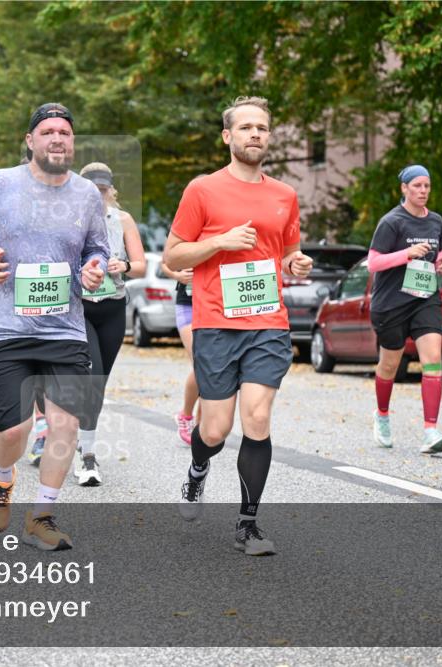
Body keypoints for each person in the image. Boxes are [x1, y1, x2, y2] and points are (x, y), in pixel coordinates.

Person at [0, 102, 110, 550]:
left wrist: (94, 268)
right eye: (48, 131)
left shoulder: (87, 195)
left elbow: (97, 247)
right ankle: (3, 478)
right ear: (30, 140)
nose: (58, 138)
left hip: (64, 329)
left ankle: (42, 514)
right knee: (12, 431)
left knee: (66, 424)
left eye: (65, 132)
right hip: (2, 330)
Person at [163, 95, 313, 557]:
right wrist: (220, 241)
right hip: (216, 322)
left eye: (262, 128)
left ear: (269, 137)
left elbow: (287, 252)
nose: (255, 134)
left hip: (268, 322)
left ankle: (248, 524)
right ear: (227, 136)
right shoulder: (202, 190)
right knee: (214, 430)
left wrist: (297, 263)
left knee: (258, 417)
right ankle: (198, 470)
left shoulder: (284, 195)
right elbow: (173, 254)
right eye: (245, 127)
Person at [65, 162, 146, 486]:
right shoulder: (67, 219)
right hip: (79, 308)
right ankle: (87, 456)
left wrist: (122, 264)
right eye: (91, 190)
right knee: (91, 379)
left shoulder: (122, 220)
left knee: (98, 385)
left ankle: (76, 438)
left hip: (112, 307)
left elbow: (140, 265)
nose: (97, 195)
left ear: (110, 190)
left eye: (102, 190)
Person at [366, 165, 442, 454]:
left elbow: (439, 256)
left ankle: (430, 431)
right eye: (417, 186)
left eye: (427, 186)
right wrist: (406, 254)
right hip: (391, 304)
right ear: (404, 188)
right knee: (390, 366)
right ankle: (382, 414)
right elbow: (373, 263)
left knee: (432, 360)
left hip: (424, 298)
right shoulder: (391, 222)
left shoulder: (436, 222)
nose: (423, 191)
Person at [162, 259, 200, 446]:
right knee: (201, 362)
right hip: (188, 304)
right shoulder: (185, 228)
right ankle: (185, 415)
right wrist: (177, 275)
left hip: (216, 302)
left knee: (214, 366)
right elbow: (165, 262)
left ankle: (202, 426)